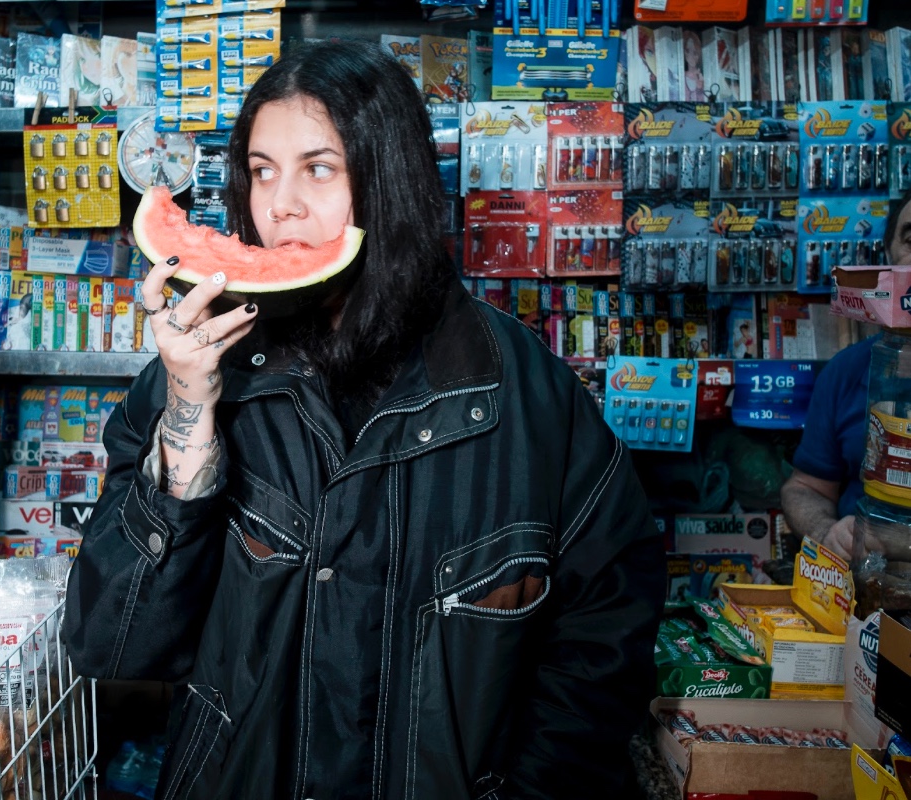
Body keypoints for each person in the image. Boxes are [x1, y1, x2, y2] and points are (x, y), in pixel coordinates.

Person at [65, 41, 664, 800]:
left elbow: (602, 646)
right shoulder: (195, 374)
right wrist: (190, 409)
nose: (280, 204)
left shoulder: (529, 395)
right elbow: (114, 645)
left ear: (390, 180)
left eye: (318, 169)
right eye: (261, 170)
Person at [780, 191, 911, 558]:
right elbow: (805, 488)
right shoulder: (846, 371)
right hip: (870, 582)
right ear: (889, 258)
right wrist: (826, 531)